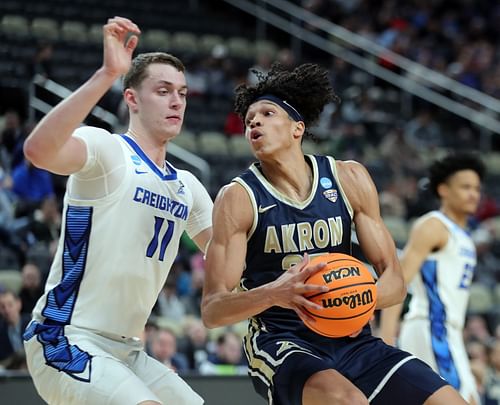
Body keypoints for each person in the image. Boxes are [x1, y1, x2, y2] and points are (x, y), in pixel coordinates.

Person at [201, 62, 468, 405]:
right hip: (282, 340)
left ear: (297, 128)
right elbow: (212, 310)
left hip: (353, 338)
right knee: (348, 401)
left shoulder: (348, 178)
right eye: (249, 118)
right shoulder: (238, 197)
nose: (254, 121)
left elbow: (396, 283)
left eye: (267, 113)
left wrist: (354, 299)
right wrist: (274, 293)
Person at [21, 17, 212, 405]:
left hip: (127, 351)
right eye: (163, 91)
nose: (177, 101)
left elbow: (232, 256)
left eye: (182, 92)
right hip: (65, 336)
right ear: (132, 98)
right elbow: (38, 151)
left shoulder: (188, 186)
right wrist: (107, 74)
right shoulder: (108, 152)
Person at [379, 153, 485, 405]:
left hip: (450, 333)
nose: (474, 194)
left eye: (477, 189)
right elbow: (398, 282)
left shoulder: (465, 237)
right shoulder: (433, 226)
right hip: (430, 328)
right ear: (443, 190)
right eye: (465, 187)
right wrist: (385, 340)